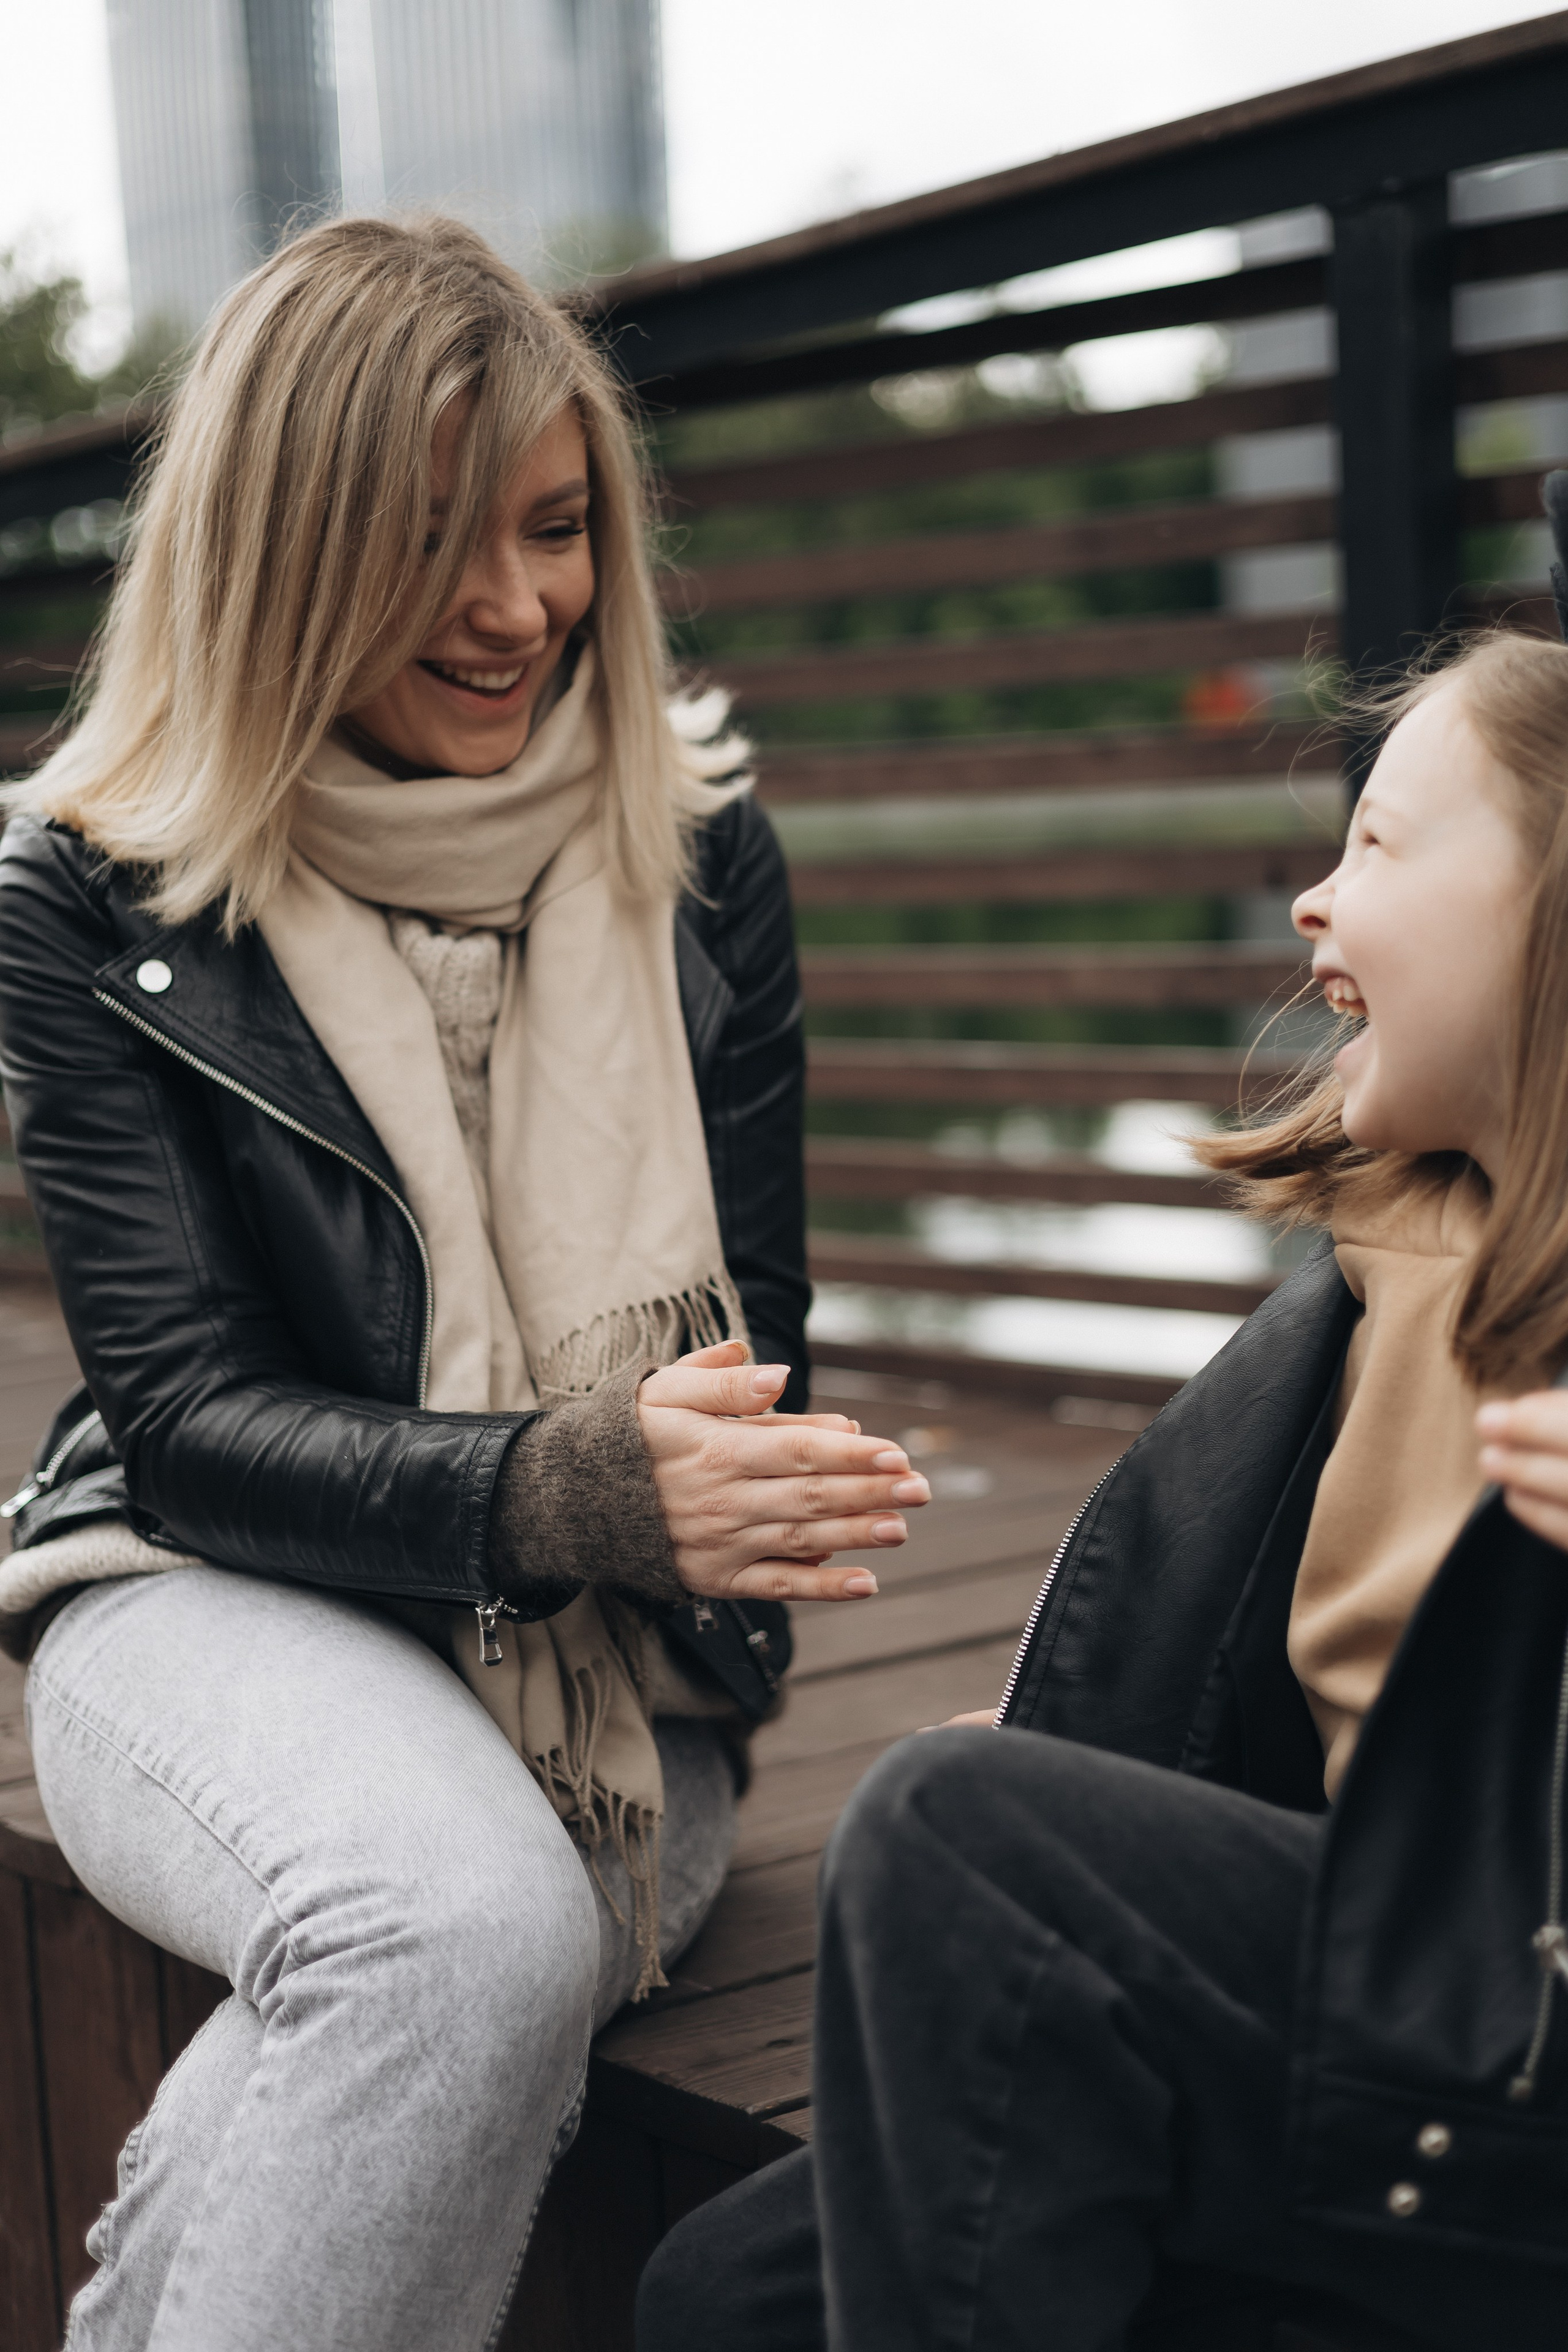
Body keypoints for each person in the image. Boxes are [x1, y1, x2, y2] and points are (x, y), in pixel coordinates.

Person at [0, 214, 932, 2352]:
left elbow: (748, 1353)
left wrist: (694, 1488)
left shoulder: (700, 843)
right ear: (284, 547)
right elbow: (187, 1422)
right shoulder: (89, 893)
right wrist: (570, 1487)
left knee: (439, 1940)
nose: (518, 609)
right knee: (451, 1930)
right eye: (431, 539)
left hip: (621, 1685)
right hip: (195, 1579)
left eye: (556, 526)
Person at [636, 620, 1568, 2352]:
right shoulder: (1393, 1265)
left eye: (1375, 840)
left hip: (1508, 2051)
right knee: (724, 2294)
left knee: (953, 1834)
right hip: (1370, 1990)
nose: (1311, 901)